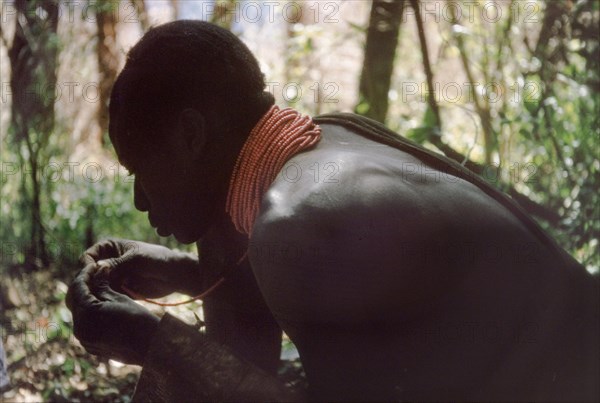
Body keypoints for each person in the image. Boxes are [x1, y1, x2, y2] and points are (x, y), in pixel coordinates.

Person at [66, 20, 599, 401]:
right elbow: (248, 345)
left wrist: (151, 344)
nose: (139, 199)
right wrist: (186, 272)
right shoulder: (309, 148)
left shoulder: (307, 219)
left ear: (190, 135)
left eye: (141, 169)